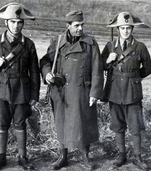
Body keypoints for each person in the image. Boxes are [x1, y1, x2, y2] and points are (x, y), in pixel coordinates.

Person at [0, 2, 40, 170]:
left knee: (20, 123)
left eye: (20, 22)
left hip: (22, 90)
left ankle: (22, 157)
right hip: (1, 89)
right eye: (13, 22)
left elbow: (34, 72)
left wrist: (34, 95)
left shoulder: (29, 45)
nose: (16, 25)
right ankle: (1, 157)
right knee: (2, 123)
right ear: (6, 23)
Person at [40, 10, 104, 170]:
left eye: (82, 25)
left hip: (82, 90)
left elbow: (97, 68)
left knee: (83, 123)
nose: (80, 28)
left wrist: (95, 92)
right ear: (68, 26)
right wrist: (47, 73)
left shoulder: (90, 43)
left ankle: (85, 157)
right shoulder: (58, 41)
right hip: (61, 91)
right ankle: (63, 156)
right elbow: (45, 60)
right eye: (76, 25)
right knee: (61, 123)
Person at [101, 12, 151, 170]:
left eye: (128, 28)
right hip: (114, 91)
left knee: (135, 126)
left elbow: (149, 68)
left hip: (132, 92)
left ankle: (137, 157)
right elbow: (100, 66)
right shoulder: (110, 46)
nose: (125, 31)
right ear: (118, 29)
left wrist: (135, 78)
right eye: (122, 28)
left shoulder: (140, 47)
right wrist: (107, 60)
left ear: (132, 29)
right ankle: (121, 154)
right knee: (118, 125)